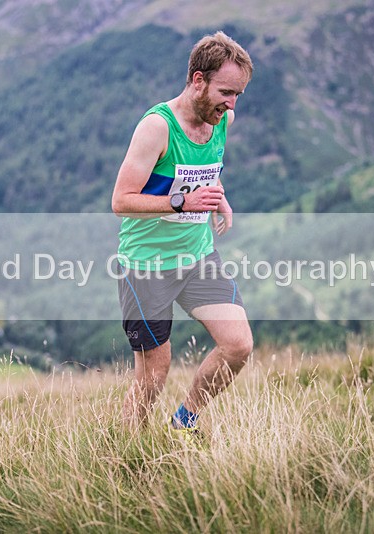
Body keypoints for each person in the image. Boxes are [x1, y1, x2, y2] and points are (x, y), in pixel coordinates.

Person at [111, 31, 255, 434]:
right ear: (197, 80)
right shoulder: (158, 127)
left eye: (238, 94)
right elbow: (121, 200)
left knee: (238, 345)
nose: (231, 104)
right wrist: (181, 204)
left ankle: (185, 420)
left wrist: (217, 198)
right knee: (154, 371)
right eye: (226, 91)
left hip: (197, 257)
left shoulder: (221, 119)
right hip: (147, 263)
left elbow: (203, 174)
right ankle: (125, 451)